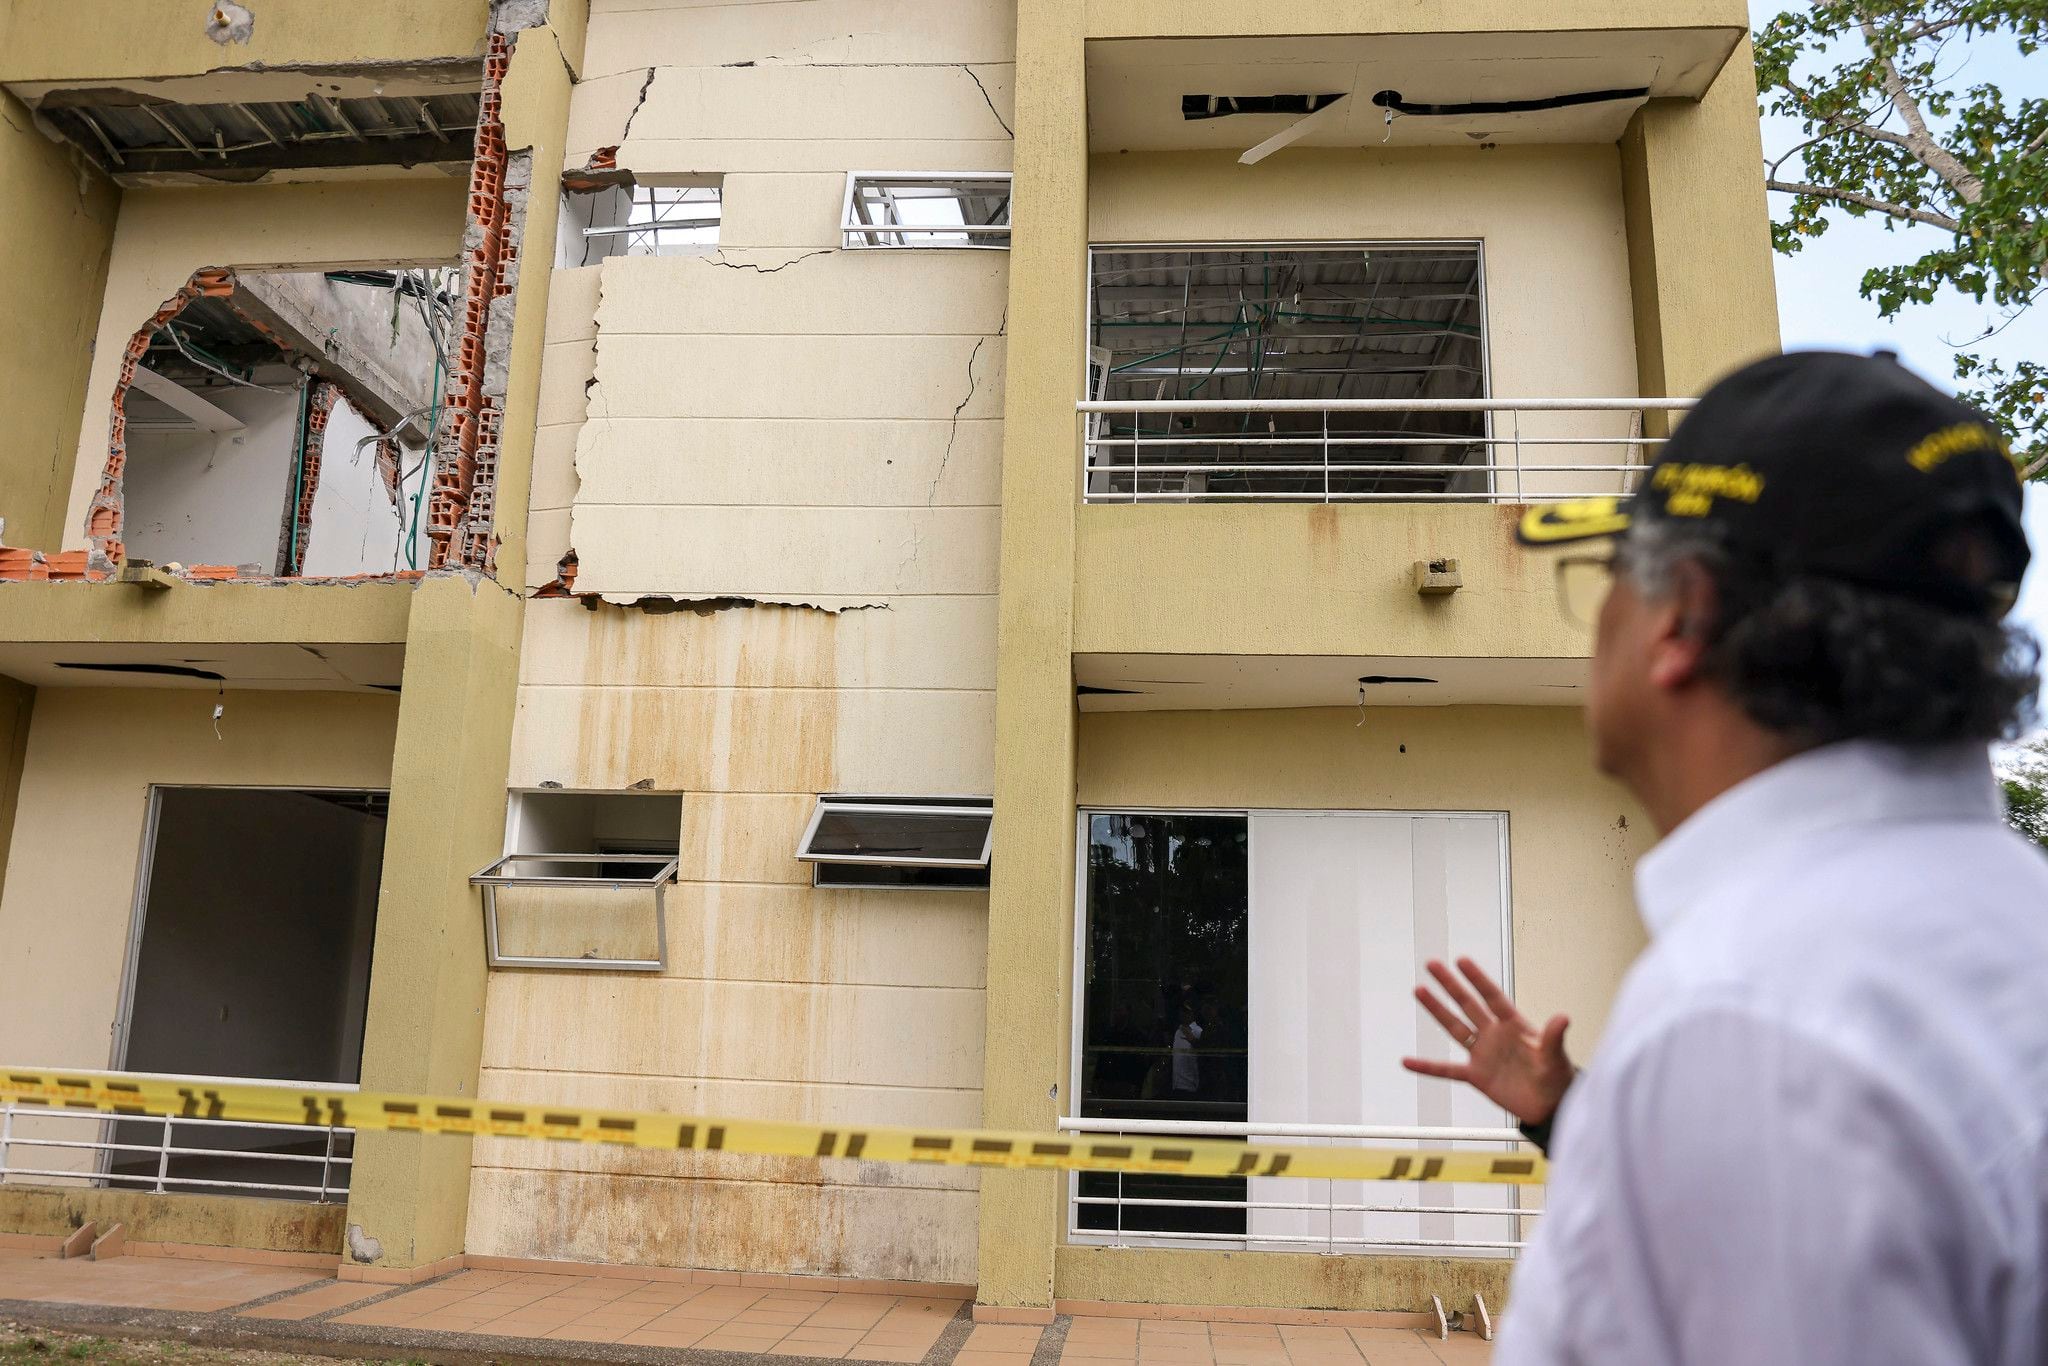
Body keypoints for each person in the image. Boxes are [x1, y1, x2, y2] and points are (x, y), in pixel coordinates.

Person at [1402, 351, 2048, 1364]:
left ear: (1681, 615)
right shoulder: (1998, 926)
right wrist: (1579, 1119)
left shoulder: (1757, 1021)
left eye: (1605, 575)